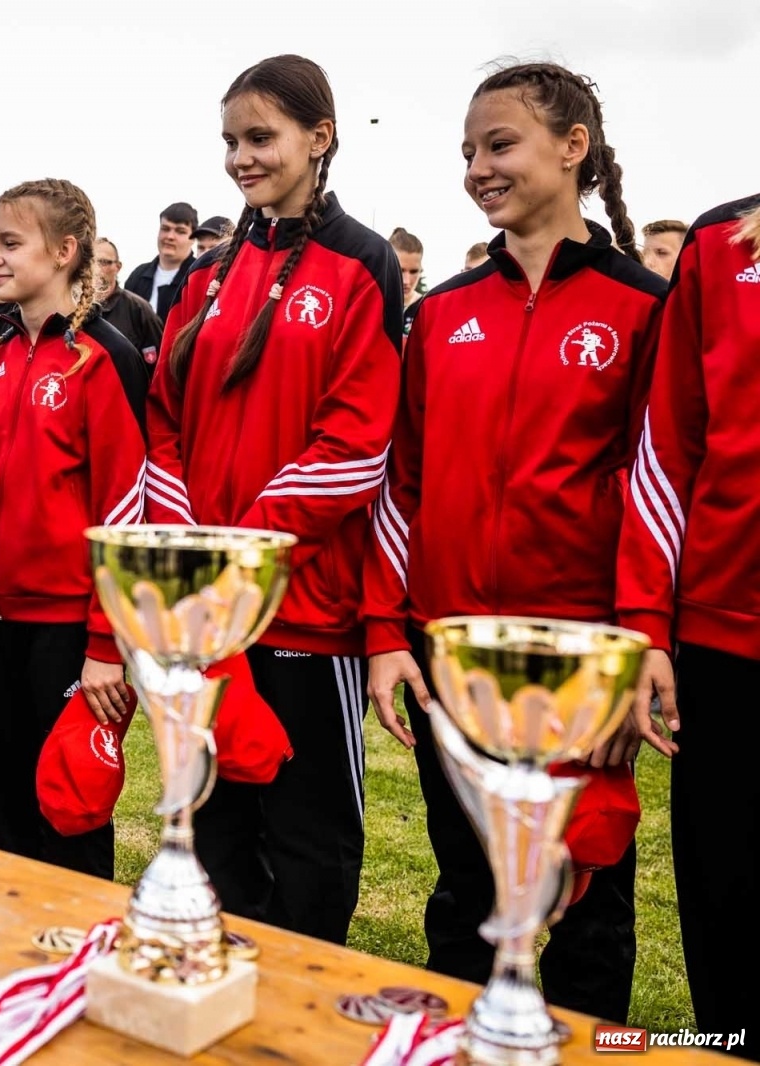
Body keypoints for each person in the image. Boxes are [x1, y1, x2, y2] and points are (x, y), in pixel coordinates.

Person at [363, 62, 664, 1024]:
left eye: (500, 145)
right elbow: (400, 487)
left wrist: (635, 646)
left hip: (581, 663)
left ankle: (595, 1052)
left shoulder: (643, 309)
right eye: (467, 153)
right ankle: (459, 1046)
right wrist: (384, 632)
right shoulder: (441, 313)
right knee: (465, 900)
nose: (477, 169)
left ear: (573, 148)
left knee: (585, 908)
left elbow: (656, 492)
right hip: (455, 654)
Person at [146, 54, 402, 946]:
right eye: (229, 141)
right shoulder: (202, 276)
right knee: (211, 842)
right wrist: (190, 558)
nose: (240, 158)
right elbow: (165, 422)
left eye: (260, 137)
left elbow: (357, 443)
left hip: (303, 615)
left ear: (319, 138)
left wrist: (236, 557)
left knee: (308, 856)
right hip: (204, 620)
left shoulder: (363, 262)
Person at [0, 179, 147, 879]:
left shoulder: (101, 357)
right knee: (1, 815)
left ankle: (76, 970)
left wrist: (105, 644)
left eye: (9, 244)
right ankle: (15, 965)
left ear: (64, 251)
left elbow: (124, 512)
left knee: (70, 812)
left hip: (67, 632)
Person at [618, 194, 760, 1060]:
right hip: (727, 638)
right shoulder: (721, 243)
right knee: (731, 907)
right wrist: (647, 624)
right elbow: (668, 446)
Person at [92, 237, 164, 370]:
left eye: (103, 262)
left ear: (118, 267)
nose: (96, 268)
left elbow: (158, 366)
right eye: (91, 261)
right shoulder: (71, 308)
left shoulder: (139, 310)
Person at [122, 201, 197, 321]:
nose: (170, 236)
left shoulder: (197, 277)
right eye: (165, 229)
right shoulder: (138, 275)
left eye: (180, 231)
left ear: (193, 238)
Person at [390, 227, 425, 336]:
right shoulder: (371, 305)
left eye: (414, 271)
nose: (406, 281)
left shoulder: (427, 308)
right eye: (400, 270)